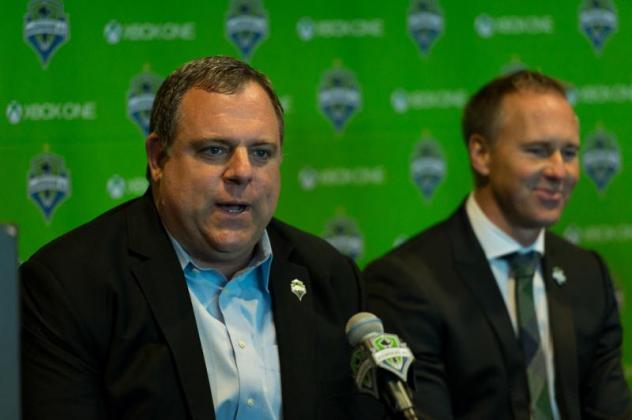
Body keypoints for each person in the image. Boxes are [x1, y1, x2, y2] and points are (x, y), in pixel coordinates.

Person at [21, 56, 364, 420]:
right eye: (214, 150)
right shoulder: (68, 286)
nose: (242, 173)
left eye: (261, 153)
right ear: (157, 158)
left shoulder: (329, 276)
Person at [364, 70, 631, 419]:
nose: (559, 171)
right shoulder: (407, 281)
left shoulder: (588, 274)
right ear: (481, 153)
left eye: (569, 152)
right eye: (538, 151)